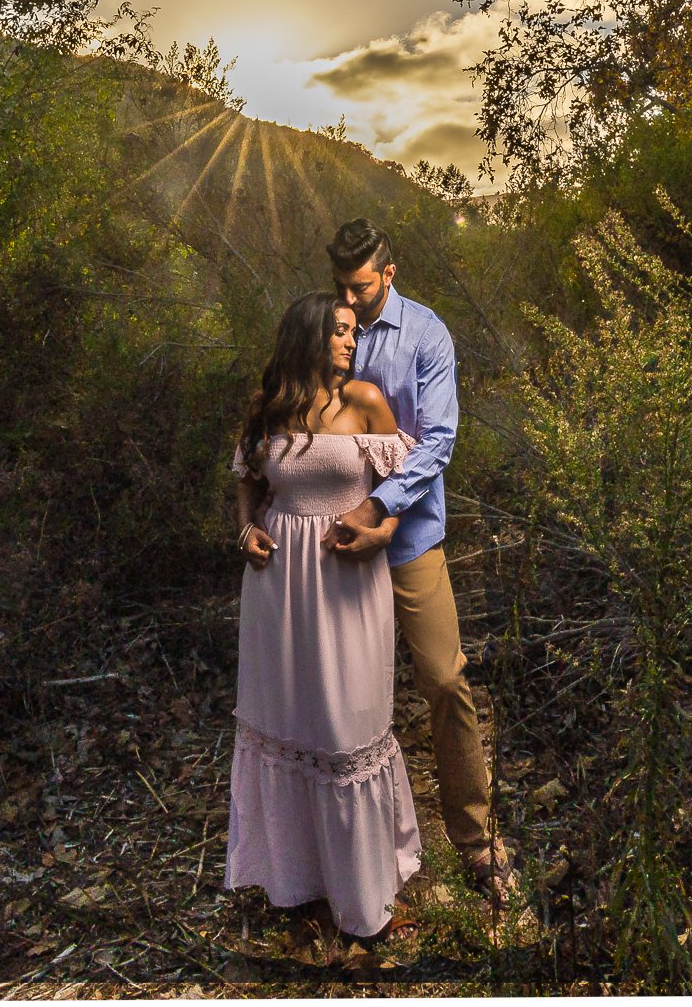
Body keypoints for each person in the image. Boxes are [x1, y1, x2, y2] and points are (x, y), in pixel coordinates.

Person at [321, 217, 518, 907]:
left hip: (407, 543)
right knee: (346, 698)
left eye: (362, 286)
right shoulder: (328, 329)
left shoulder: (428, 334)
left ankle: (478, 839)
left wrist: (382, 510)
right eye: (341, 285)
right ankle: (353, 854)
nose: (350, 297)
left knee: (444, 678)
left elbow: (438, 439)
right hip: (335, 546)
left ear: (390, 273)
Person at [224, 291, 424, 940]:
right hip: (279, 586)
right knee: (291, 722)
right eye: (338, 331)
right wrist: (245, 529)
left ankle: (366, 897)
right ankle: (297, 883)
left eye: (352, 331)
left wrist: (381, 532)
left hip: (348, 580)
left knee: (346, 729)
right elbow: (249, 482)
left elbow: (404, 484)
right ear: (307, 336)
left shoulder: (365, 401)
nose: (350, 341)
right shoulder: (268, 409)